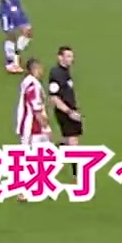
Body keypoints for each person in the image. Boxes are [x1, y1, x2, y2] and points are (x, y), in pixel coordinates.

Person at [48, 45, 83, 176]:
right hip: (65, 112)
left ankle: (52, 155)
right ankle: (76, 175)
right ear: (60, 57)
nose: (71, 59)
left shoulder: (65, 71)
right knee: (74, 143)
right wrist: (70, 112)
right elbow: (54, 98)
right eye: (68, 56)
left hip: (70, 111)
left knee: (67, 141)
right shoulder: (56, 73)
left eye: (71, 56)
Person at [16, 57, 52, 148]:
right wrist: (46, 128)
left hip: (32, 128)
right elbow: (37, 110)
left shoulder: (30, 83)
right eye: (40, 68)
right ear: (35, 69)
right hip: (33, 129)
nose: (42, 71)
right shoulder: (33, 85)